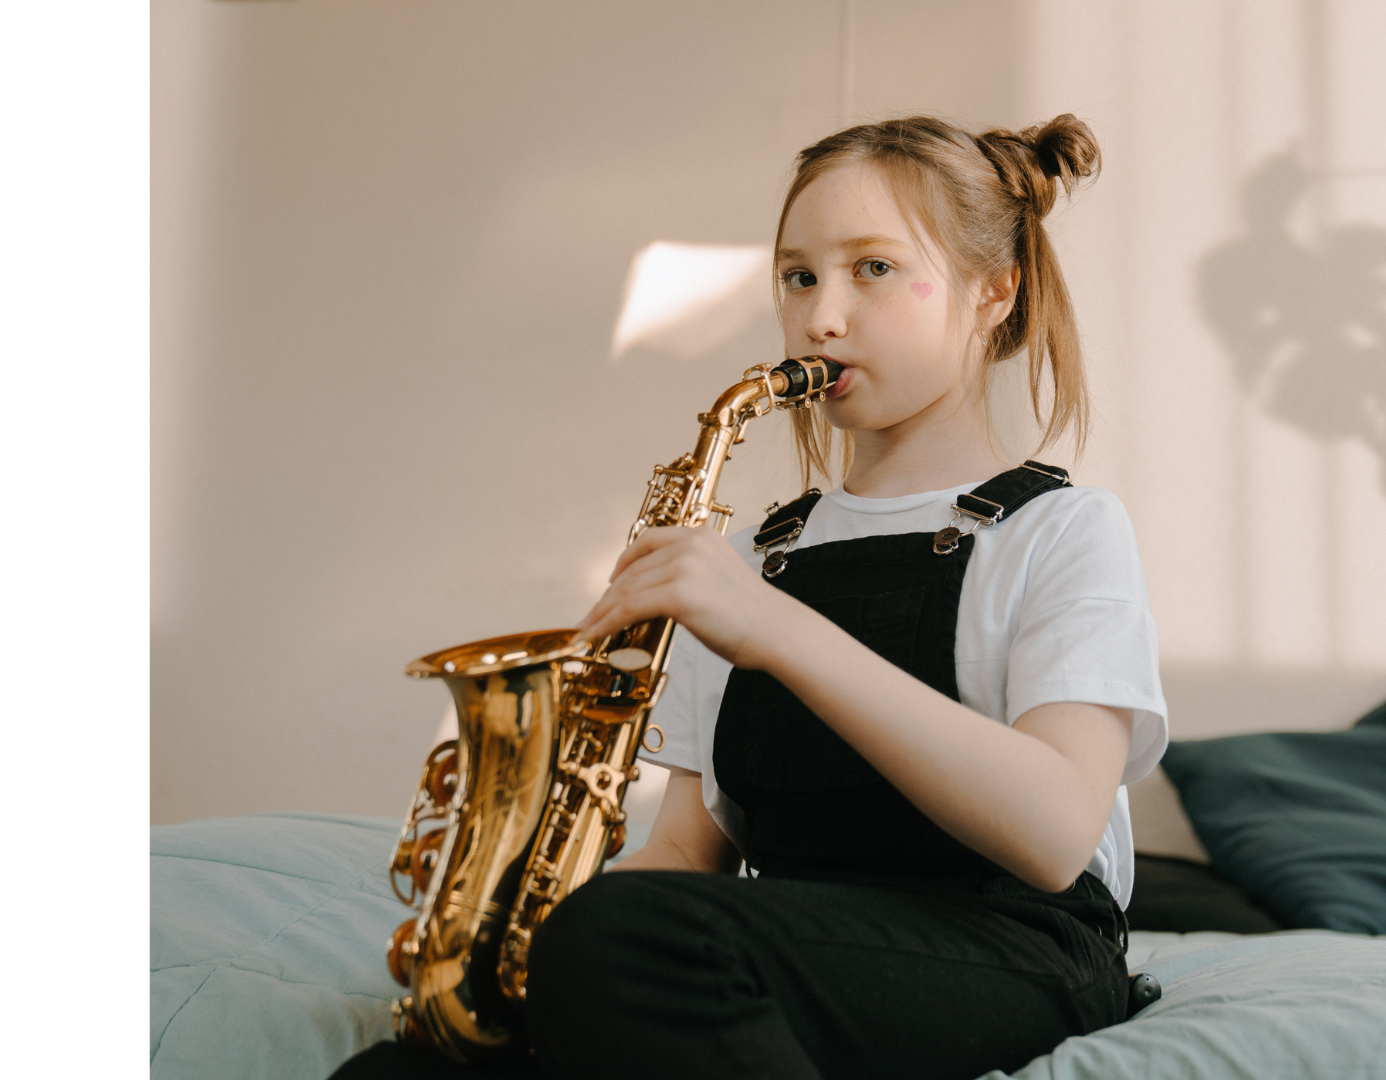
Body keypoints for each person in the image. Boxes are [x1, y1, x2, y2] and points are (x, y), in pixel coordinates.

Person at [336, 114, 1167, 1080]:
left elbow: (1058, 832)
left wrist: (774, 630)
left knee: (635, 942)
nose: (821, 316)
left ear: (994, 292)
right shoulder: (751, 558)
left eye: (875, 269)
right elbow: (689, 853)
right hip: (796, 947)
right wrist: (528, 947)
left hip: (1019, 947)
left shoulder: (1063, 531)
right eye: (800, 276)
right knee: (402, 1071)